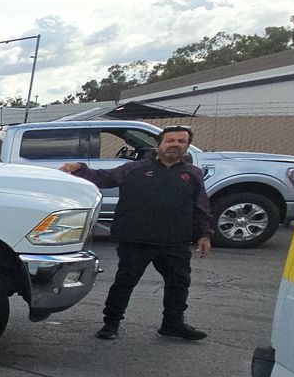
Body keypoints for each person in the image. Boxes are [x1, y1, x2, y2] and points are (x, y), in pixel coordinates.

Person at [61, 125, 213, 341]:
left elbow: (200, 206)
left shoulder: (193, 174)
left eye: (181, 142)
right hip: (136, 239)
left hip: (174, 241)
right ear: (158, 145)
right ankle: (111, 323)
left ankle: (173, 324)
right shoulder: (134, 169)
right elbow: (104, 178)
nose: (175, 145)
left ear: (187, 146)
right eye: (170, 141)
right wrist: (79, 168)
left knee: (179, 284)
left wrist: (203, 234)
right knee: (125, 283)